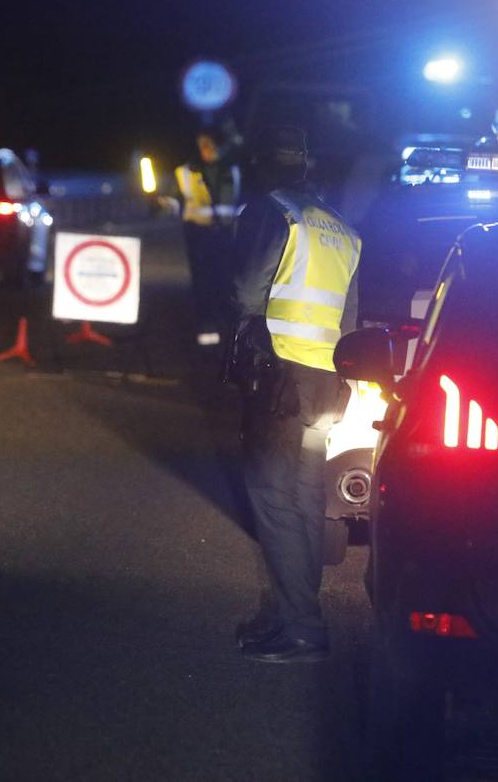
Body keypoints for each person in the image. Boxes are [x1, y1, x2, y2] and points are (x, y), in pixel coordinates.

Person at [224, 125, 360, 663]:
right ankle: (295, 616)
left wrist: (241, 333)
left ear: (264, 164)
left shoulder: (274, 213)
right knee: (304, 500)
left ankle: (300, 627)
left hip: (279, 375)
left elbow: (245, 292)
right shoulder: (342, 229)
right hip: (326, 379)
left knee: (272, 498)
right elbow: (349, 317)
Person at [175, 130, 243, 346]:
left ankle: (225, 326)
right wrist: (163, 204)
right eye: (202, 145)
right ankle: (206, 327)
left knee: (223, 279)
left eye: (209, 145)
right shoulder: (186, 171)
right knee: (202, 280)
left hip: (224, 232)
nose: (206, 150)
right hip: (198, 233)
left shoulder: (231, 168)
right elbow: (177, 200)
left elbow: (239, 199)